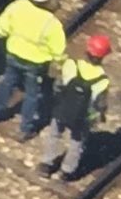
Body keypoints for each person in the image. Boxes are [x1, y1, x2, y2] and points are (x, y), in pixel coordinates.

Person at [0, 0, 66, 139]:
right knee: (32, 94)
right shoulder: (51, 23)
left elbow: (0, 29)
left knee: (7, 83)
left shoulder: (18, 6)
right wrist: (59, 65)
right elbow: (58, 51)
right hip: (35, 63)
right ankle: (25, 129)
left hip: (13, 54)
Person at [38, 33, 111, 181]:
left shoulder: (71, 65)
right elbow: (100, 104)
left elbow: (59, 85)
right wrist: (99, 116)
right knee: (76, 142)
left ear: (87, 51)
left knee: (54, 134)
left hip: (63, 109)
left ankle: (46, 164)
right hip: (82, 117)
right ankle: (66, 171)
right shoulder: (103, 79)